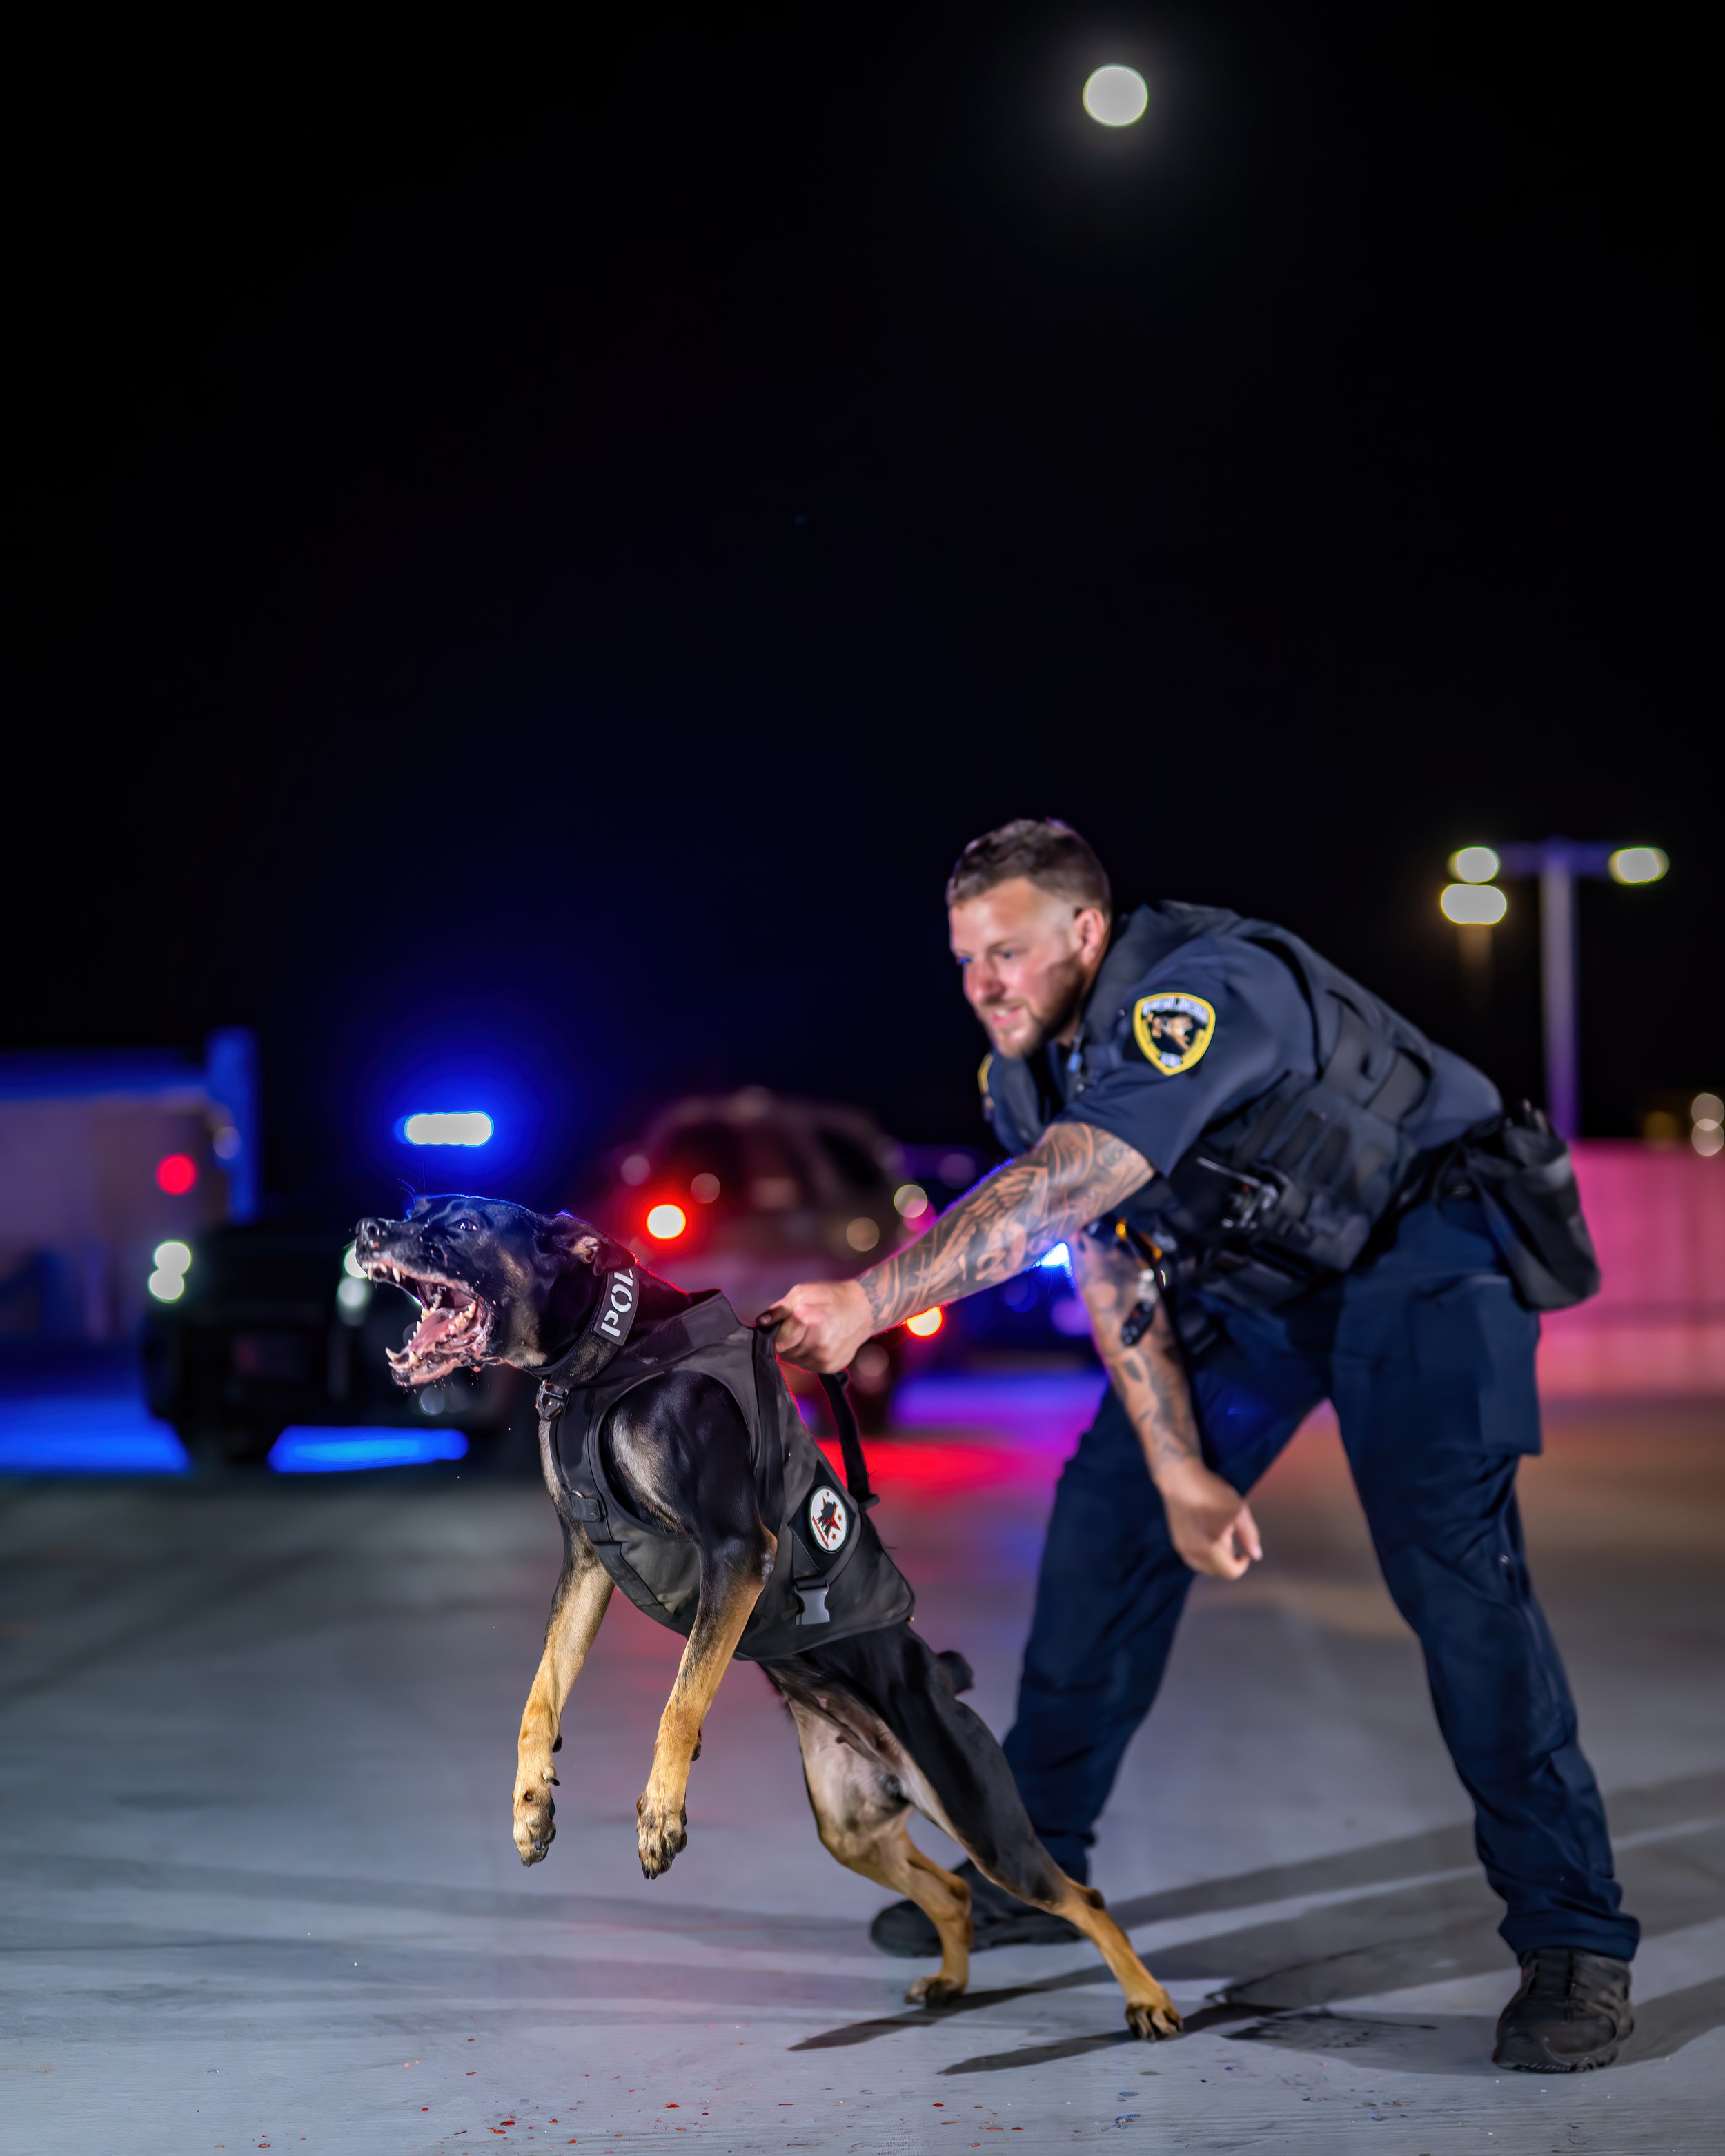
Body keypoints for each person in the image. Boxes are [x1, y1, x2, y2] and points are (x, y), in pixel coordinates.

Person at [766, 817, 1636, 2074]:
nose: (983, 983)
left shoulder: (1204, 990)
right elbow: (1109, 1257)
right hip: (1261, 1295)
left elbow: (1072, 1182)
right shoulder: (1024, 1074)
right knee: (1106, 1521)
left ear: (1086, 931)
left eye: (1007, 951)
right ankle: (1033, 1869)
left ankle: (1573, 1936)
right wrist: (1177, 1469)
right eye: (964, 959)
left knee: (1456, 1579)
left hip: (1424, 1252)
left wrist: (869, 1299)